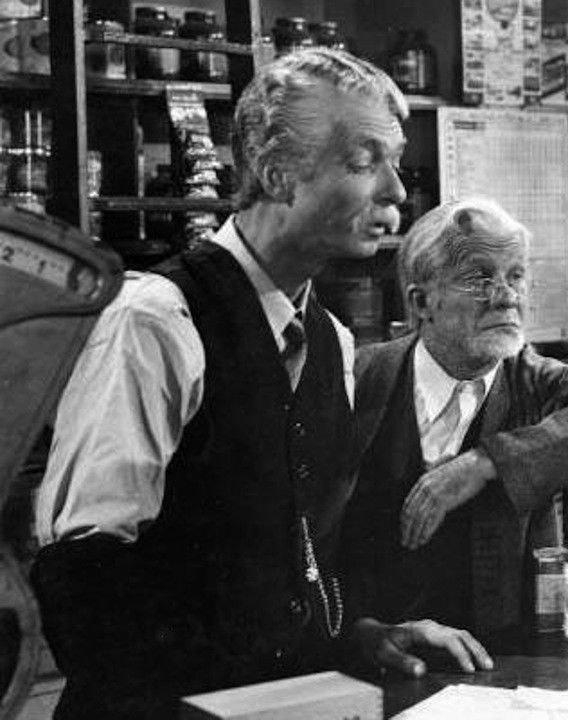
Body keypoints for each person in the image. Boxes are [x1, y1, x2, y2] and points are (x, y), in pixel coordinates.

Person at [31, 48, 489, 720]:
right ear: (278, 175)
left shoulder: (330, 342)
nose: (397, 191)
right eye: (365, 162)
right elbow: (82, 586)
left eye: (394, 162)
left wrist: (357, 636)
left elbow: (288, 570)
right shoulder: (156, 320)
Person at [342, 196, 568, 642]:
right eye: (479, 278)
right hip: (379, 657)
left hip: (504, 659)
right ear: (422, 301)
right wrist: (363, 634)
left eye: (516, 276)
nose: (507, 296)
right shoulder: (360, 376)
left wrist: (486, 462)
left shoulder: (538, 383)